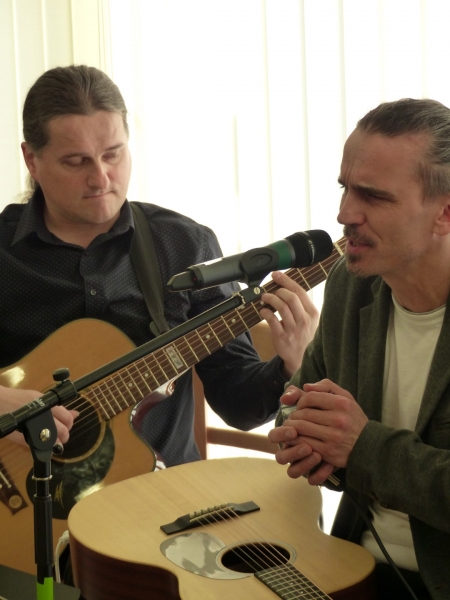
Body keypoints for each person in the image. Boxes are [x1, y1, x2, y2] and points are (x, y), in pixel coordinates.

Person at [0, 64, 317, 468]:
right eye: (76, 162)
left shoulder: (184, 246)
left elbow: (238, 404)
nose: (101, 178)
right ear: (32, 159)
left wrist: (291, 364)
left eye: (113, 154)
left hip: (163, 492)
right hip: (25, 495)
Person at [268, 98, 450, 600]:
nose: (345, 214)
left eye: (373, 196)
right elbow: (296, 405)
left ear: (444, 212)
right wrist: (301, 436)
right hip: (353, 567)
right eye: (345, 188)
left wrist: (362, 447)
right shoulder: (352, 286)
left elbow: (354, 442)